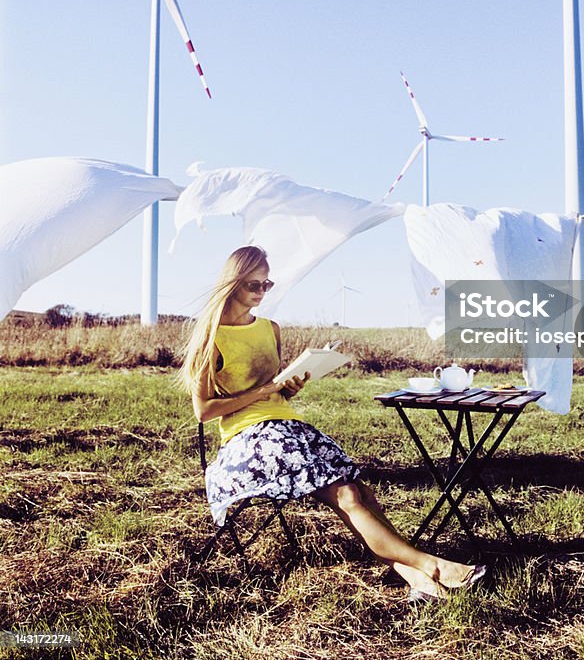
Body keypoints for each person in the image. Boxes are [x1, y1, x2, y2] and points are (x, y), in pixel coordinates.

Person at [180, 245, 485, 601]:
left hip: (288, 428)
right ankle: (433, 566)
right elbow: (203, 410)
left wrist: (289, 387)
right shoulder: (211, 336)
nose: (262, 292)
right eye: (254, 285)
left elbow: (274, 393)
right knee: (346, 494)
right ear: (232, 284)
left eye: (267, 284)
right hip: (250, 441)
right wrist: (265, 391)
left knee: (360, 492)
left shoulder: (270, 329)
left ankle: (414, 576)